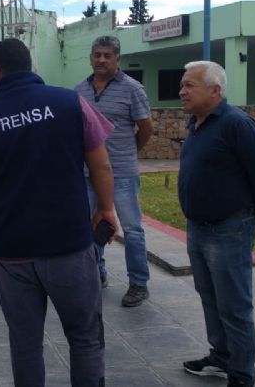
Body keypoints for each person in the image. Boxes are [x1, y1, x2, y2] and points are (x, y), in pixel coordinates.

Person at [0, 38, 117, 387]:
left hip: (10, 251)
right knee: (85, 337)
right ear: (29, 67)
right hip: (69, 246)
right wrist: (106, 208)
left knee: (25, 342)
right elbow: (101, 166)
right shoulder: (70, 102)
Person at [177, 61, 255, 387]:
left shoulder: (238, 124)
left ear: (215, 91)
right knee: (209, 297)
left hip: (229, 229)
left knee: (234, 306)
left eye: (190, 85)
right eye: (182, 85)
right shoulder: (196, 124)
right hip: (198, 228)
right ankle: (221, 356)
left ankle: (241, 374)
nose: (182, 91)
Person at [74, 35, 153, 307]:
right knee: (90, 226)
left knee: (132, 229)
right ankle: (97, 274)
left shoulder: (133, 89)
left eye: (108, 55)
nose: (102, 60)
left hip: (122, 172)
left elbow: (146, 128)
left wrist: (130, 152)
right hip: (88, 174)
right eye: (97, 55)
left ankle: (139, 283)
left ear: (117, 59)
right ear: (91, 58)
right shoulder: (79, 90)